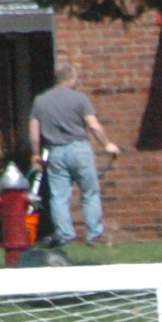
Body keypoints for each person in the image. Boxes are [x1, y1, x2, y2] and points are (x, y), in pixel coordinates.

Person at [26, 64, 121, 246]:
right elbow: (93, 125)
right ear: (70, 79)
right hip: (79, 149)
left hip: (55, 151)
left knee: (59, 197)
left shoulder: (40, 101)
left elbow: (34, 133)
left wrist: (36, 154)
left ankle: (64, 235)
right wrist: (107, 144)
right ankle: (94, 234)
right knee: (90, 192)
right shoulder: (80, 99)